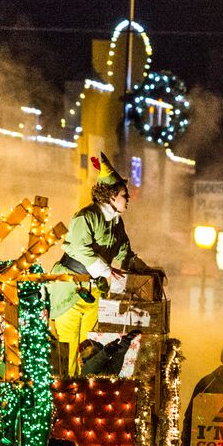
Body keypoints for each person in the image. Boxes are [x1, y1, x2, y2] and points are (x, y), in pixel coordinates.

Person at [49, 152, 150, 375]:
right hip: (70, 288)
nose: (128, 199)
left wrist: (145, 271)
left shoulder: (117, 223)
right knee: (67, 343)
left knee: (85, 347)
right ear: (111, 196)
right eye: (124, 195)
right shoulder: (85, 216)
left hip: (94, 290)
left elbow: (125, 251)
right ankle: (65, 392)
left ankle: (81, 388)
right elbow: (79, 248)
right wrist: (105, 270)